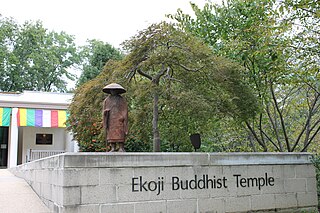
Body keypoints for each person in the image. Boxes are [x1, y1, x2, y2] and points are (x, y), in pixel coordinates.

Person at [102, 83, 128, 152]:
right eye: (111, 90)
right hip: (110, 119)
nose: (113, 91)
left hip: (119, 118)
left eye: (114, 90)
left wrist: (123, 116)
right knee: (111, 133)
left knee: (120, 132)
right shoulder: (107, 100)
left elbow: (124, 109)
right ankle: (113, 147)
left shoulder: (121, 99)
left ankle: (121, 147)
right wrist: (105, 112)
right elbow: (104, 110)